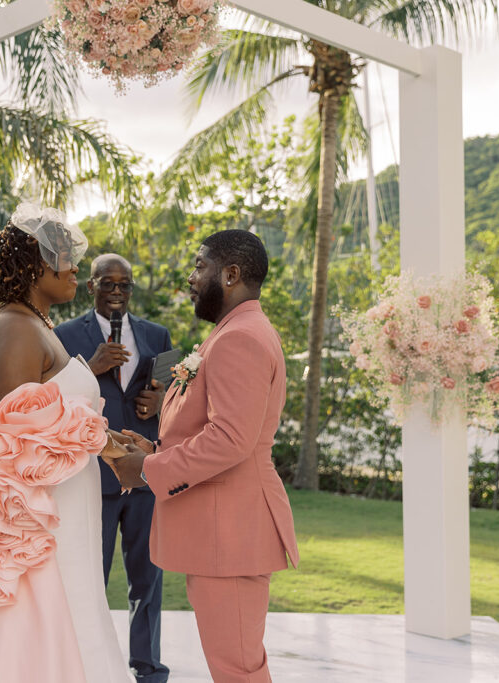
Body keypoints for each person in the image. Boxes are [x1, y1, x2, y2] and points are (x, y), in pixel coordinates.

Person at [0, 203, 132, 683]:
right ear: (35, 266)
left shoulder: (37, 325)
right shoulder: (16, 326)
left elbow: (54, 415)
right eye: (65, 258)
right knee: (40, 618)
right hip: (39, 515)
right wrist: (110, 448)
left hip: (67, 501)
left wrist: (114, 440)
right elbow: (17, 434)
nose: (76, 269)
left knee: (79, 602)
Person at [106, 229, 300, 683]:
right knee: (236, 664)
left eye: (199, 266)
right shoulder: (233, 331)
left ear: (230, 274)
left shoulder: (241, 338)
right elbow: (221, 431)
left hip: (231, 534)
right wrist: (151, 448)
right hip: (223, 534)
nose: (191, 277)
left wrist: (150, 469)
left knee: (238, 670)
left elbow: (231, 438)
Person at [54, 254, 172, 683]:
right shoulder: (64, 336)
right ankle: (87, 666)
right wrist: (92, 365)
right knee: (90, 579)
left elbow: (172, 389)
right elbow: (52, 397)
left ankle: (149, 668)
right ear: (91, 286)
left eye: (125, 285)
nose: (117, 292)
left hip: (143, 472)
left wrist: (160, 402)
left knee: (148, 578)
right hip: (93, 473)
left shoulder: (157, 334)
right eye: (108, 284)